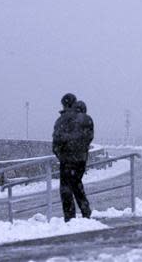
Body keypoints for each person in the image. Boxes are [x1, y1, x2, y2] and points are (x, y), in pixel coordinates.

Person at [52, 93, 92, 222]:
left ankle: (70, 218)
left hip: (67, 160)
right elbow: (89, 137)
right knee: (76, 184)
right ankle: (85, 210)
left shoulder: (62, 120)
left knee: (66, 188)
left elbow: (57, 141)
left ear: (64, 104)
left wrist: (61, 155)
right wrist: (81, 150)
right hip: (81, 158)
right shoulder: (86, 119)